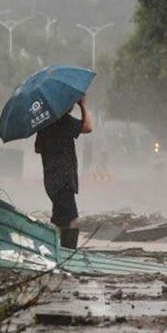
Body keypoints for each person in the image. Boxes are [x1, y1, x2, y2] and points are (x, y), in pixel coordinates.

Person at [34, 96, 94, 249]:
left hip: (51, 181)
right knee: (71, 218)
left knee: (60, 219)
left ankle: (56, 250)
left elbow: (37, 148)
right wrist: (82, 106)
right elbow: (88, 127)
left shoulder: (45, 125)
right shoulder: (63, 121)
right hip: (64, 180)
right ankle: (69, 253)